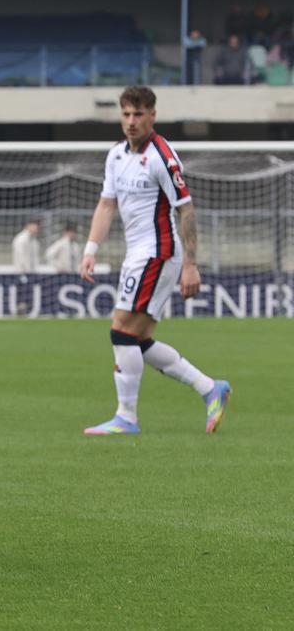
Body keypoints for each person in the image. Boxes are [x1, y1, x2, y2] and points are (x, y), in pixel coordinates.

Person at [79, 86, 231, 436]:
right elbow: (106, 205)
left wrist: (191, 264)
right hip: (138, 254)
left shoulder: (163, 155)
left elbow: (186, 210)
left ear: (152, 116)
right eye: (126, 115)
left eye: (138, 115)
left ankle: (126, 417)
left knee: (120, 331)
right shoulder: (115, 155)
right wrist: (90, 248)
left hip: (158, 252)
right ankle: (210, 388)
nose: (131, 122)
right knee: (138, 340)